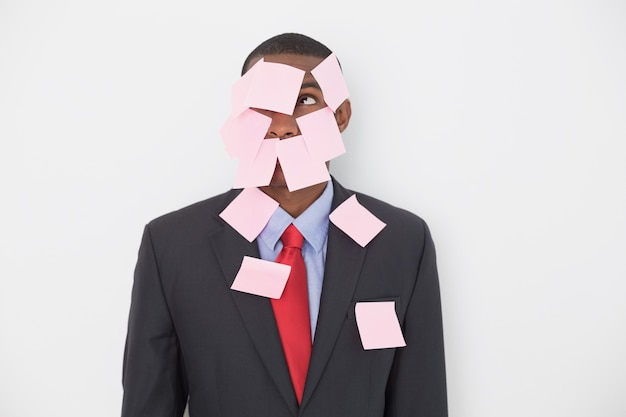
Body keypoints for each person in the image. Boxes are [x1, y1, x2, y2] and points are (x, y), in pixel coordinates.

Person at [121, 32, 447, 417]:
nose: (282, 127)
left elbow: (420, 401)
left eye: (306, 101)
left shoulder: (403, 242)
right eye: (262, 107)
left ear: (340, 115)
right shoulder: (172, 246)